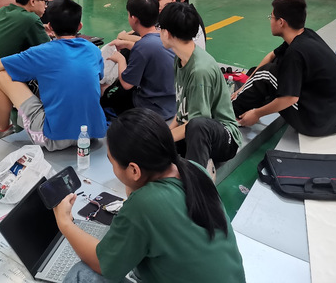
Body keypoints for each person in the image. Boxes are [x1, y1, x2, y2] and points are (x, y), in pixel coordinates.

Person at [53, 108, 246, 283]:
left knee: (82, 274)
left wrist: (65, 223)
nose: (112, 168)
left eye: (112, 162)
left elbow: (103, 265)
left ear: (134, 170)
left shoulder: (145, 204)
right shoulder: (195, 170)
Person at [0, 0, 107, 147]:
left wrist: (3, 92)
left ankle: (1, 130)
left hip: (52, 138)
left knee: (2, 75)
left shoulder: (41, 52)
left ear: (50, 27)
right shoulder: (93, 49)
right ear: (80, 26)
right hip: (91, 134)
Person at [232, 0, 336, 137]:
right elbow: (271, 56)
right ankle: (244, 100)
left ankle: (230, 113)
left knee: (266, 74)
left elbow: (290, 98)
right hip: (329, 117)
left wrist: (257, 113)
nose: (270, 21)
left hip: (313, 122)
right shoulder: (306, 35)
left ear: (281, 22)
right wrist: (243, 87)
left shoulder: (295, 52)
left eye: (271, 17)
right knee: (265, 68)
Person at [158, 2, 241, 172]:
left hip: (223, 137)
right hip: (194, 130)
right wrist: (163, 136)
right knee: (153, 145)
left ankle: (197, 178)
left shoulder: (199, 71)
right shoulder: (180, 58)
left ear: (167, 33)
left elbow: (196, 123)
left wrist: (164, 139)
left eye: (160, 28)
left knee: (196, 127)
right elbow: (181, 114)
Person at [102, 0, 176, 120]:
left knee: (109, 95)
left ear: (134, 18)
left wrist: (120, 59)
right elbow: (150, 50)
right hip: (170, 103)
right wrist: (127, 44)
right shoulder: (163, 36)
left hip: (151, 108)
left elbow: (127, 84)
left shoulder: (142, 46)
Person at [117, 0, 206, 49]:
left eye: (158, 0)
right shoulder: (175, 12)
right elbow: (150, 30)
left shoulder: (179, 17)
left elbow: (154, 41)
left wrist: (124, 37)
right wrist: (128, 35)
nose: (155, 4)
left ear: (172, 0)